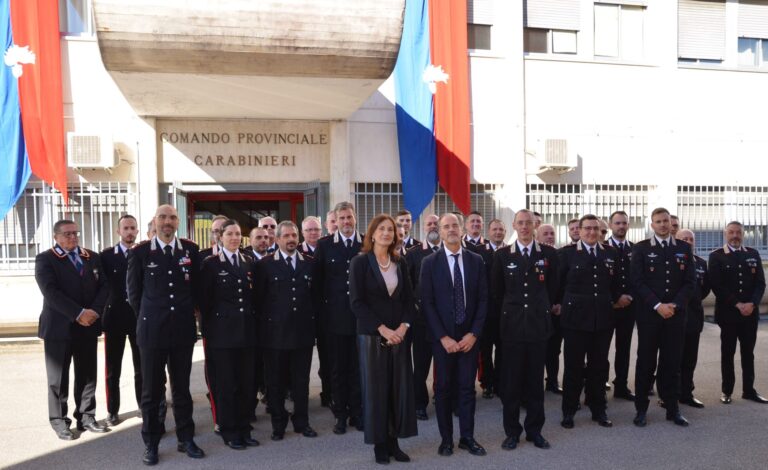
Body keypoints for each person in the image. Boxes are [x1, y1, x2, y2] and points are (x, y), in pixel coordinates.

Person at [127, 205, 204, 465]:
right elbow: (134, 295)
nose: (167, 221)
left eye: (172, 217)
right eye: (162, 217)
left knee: (181, 389)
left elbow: (196, 289)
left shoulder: (190, 250)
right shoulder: (140, 253)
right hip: (152, 332)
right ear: (155, 222)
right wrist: (150, 318)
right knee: (151, 391)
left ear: (178, 222)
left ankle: (186, 438)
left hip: (182, 331)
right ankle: (151, 443)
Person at [349, 214, 418, 464]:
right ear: (372, 233)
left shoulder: (400, 262)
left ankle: (394, 442)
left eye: (391, 229)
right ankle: (380, 444)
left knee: (397, 391)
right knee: (376, 392)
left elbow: (409, 300)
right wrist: (383, 330)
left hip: (399, 336)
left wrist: (403, 327)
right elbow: (356, 303)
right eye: (382, 229)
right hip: (372, 336)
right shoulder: (359, 262)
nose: (387, 233)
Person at [35, 220, 109, 440]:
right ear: (56, 237)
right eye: (67, 234)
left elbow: (105, 286)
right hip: (59, 328)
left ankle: (86, 416)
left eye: (75, 233)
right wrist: (79, 313)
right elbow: (50, 292)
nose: (73, 237)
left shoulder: (91, 257)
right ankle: (60, 421)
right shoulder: (46, 259)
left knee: (87, 375)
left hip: (88, 326)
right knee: (58, 379)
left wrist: (95, 311)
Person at [421, 213, 488, 457]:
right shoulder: (430, 262)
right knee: (443, 389)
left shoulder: (476, 260)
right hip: (443, 339)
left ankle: (467, 438)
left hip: (469, 337)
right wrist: (443, 337)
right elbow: (427, 303)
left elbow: (483, 299)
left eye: (454, 225)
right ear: (439, 231)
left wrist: (474, 334)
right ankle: (446, 440)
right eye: (446, 226)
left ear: (462, 229)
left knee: (467, 389)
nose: (451, 229)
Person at [491, 209, 557, 451]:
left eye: (529, 223)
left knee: (535, 382)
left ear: (535, 226)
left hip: (538, 326)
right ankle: (512, 432)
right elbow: (497, 291)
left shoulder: (548, 254)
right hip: (512, 327)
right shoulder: (502, 255)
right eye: (520, 223)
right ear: (514, 226)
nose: (525, 227)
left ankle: (535, 431)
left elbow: (553, 287)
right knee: (511, 383)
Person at [254, 221, 319, 440]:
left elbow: (315, 297)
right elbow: (259, 301)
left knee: (301, 382)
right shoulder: (265, 265)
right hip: (275, 335)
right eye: (286, 236)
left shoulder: (310, 263)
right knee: (276, 383)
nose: (291, 239)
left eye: (294, 235)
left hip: (302, 333)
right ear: (277, 239)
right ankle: (278, 424)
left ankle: (302, 422)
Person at [631, 207, 695, 428]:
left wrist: (674, 305)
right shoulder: (641, 248)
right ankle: (641, 409)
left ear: (671, 223)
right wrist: (658, 305)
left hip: (675, 316)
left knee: (672, 363)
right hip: (650, 316)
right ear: (652, 225)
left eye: (665, 221)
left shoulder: (684, 248)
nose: (662, 224)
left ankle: (672, 408)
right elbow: (637, 281)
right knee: (646, 363)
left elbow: (690, 282)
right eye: (658, 221)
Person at [199, 219, 260, 450]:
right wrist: (211, 330)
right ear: (220, 237)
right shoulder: (211, 264)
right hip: (222, 335)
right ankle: (229, 430)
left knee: (246, 383)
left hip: (246, 333)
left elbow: (254, 298)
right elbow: (204, 301)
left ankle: (244, 427)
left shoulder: (248, 262)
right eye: (229, 234)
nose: (234, 238)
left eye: (237, 234)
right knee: (226, 385)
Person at [557, 215, 620, 429]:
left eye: (596, 228)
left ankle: (598, 409)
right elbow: (557, 283)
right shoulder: (566, 253)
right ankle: (569, 410)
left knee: (599, 367)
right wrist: (558, 304)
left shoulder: (610, 253)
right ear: (580, 230)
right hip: (574, 320)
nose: (592, 232)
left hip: (602, 319)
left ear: (601, 231)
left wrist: (618, 298)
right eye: (587, 228)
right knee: (573, 367)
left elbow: (617, 283)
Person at [314, 201, 364, 434]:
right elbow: (318, 284)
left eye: (349, 217)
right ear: (335, 220)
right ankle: (340, 415)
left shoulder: (367, 243)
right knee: (337, 369)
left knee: (358, 368)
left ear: (355, 218)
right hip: (334, 320)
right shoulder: (324, 245)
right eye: (341, 218)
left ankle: (357, 412)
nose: (346, 222)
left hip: (361, 318)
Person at [709, 221, 768, 405]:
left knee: (748, 353)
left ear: (743, 234)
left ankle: (749, 390)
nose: (735, 236)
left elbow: (760, 283)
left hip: (750, 313)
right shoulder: (716, 256)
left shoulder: (752, 253)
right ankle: (727, 390)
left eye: (738, 232)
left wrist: (752, 303)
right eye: (731, 232)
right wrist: (738, 304)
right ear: (725, 234)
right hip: (728, 314)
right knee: (728, 353)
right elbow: (717, 285)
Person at [101, 215, 141, 426]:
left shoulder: (143, 253)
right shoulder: (106, 256)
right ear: (118, 231)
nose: (129, 232)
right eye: (125, 228)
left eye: (133, 228)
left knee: (141, 367)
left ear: (137, 230)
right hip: (114, 318)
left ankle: (143, 405)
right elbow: (100, 287)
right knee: (112, 369)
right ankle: (112, 410)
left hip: (138, 318)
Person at [405, 214, 440, 421]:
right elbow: (407, 285)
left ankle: (446, 400)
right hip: (422, 321)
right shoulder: (414, 253)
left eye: (436, 223)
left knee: (445, 366)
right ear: (424, 227)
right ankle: (419, 404)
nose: (433, 226)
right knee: (421, 365)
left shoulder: (449, 251)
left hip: (445, 320)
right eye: (429, 224)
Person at [676, 229, 710, 408]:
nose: (688, 241)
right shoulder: (671, 259)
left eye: (691, 239)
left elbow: (704, 289)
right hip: (674, 316)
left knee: (690, 358)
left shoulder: (701, 263)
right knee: (673, 359)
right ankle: (669, 394)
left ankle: (686, 393)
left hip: (694, 317)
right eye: (684, 239)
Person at [607, 211, 636, 400]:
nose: (621, 226)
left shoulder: (636, 249)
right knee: (600, 349)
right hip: (608, 307)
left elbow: (639, 277)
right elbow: (601, 280)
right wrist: (615, 298)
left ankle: (621, 386)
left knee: (624, 349)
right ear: (610, 225)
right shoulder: (602, 247)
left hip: (628, 307)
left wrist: (629, 297)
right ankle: (599, 383)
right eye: (617, 223)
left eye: (624, 223)